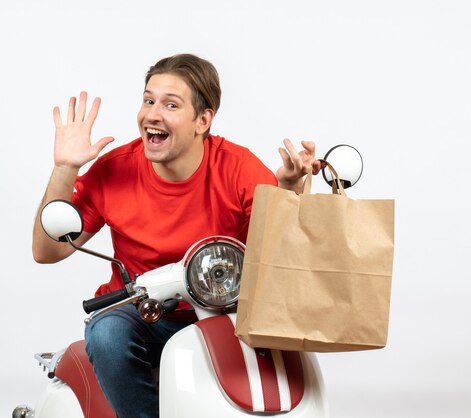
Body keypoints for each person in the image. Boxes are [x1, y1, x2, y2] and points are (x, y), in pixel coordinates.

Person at [32, 53, 322, 418]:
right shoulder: (115, 170)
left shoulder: (238, 168)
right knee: (106, 334)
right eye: (148, 100)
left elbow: (285, 253)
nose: (153, 114)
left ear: (203, 120)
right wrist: (65, 169)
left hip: (226, 316)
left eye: (170, 104)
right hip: (142, 315)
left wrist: (291, 192)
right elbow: (46, 251)